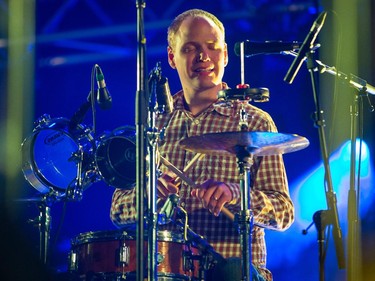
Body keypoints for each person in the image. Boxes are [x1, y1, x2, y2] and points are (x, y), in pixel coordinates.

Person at [111, 8, 294, 281]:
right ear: (172, 57)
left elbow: (283, 212)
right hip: (166, 270)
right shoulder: (153, 125)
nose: (203, 56)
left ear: (226, 55)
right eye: (190, 48)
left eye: (212, 47)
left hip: (232, 269)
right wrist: (149, 193)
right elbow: (117, 209)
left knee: (231, 272)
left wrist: (237, 194)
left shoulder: (254, 122)